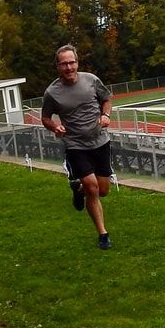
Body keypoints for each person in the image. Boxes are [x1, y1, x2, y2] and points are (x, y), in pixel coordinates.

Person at [41, 44, 114, 250]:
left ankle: (78, 190)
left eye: (72, 62)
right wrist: (55, 126)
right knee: (93, 187)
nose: (69, 67)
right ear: (58, 67)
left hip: (100, 141)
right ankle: (103, 234)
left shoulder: (91, 80)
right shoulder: (52, 92)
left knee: (103, 191)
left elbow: (106, 99)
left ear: (77, 62)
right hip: (75, 145)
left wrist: (105, 115)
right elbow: (45, 118)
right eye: (64, 64)